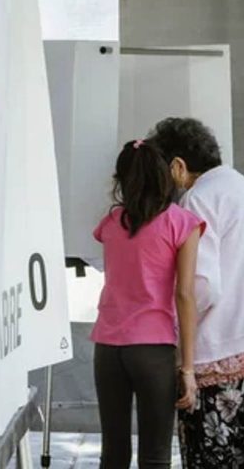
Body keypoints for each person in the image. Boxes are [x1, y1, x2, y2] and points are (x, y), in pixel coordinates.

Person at [147, 118, 244, 469]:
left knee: (207, 458)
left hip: (222, 350)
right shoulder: (242, 186)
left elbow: (200, 286)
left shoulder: (197, 201)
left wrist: (180, 351)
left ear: (178, 166)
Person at [91, 138, 205, 469]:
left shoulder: (111, 224)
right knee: (155, 458)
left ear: (120, 180)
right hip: (152, 350)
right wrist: (188, 369)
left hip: (107, 348)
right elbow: (184, 294)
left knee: (113, 453)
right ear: (165, 176)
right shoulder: (182, 223)